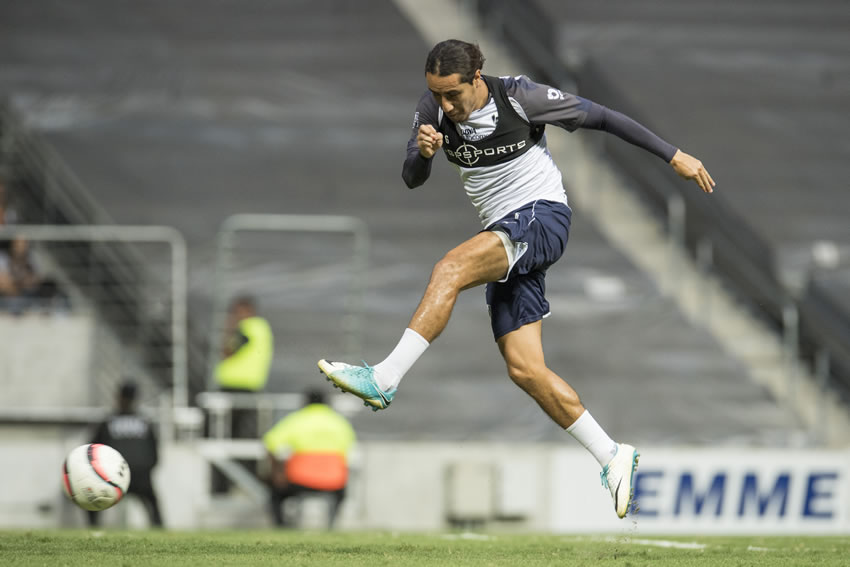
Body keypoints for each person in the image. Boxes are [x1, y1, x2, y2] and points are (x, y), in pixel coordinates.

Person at [319, 39, 715, 519]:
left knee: (450, 268)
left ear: (477, 77)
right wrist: (424, 153)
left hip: (541, 217)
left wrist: (673, 155)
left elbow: (603, 117)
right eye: (437, 95)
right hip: (504, 234)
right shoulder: (432, 110)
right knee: (525, 370)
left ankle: (384, 378)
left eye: (453, 95)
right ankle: (613, 455)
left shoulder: (520, 97)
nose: (445, 106)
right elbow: (411, 177)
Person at [262, 388, 356, 529]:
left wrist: (278, 472)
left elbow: (270, 443)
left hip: (300, 479)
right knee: (342, 493)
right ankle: (331, 525)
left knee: (276, 494)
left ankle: (281, 527)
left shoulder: (297, 419)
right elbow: (349, 449)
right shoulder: (339, 422)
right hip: (333, 481)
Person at [211, 295, 274, 492]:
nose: (234, 316)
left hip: (235, 390)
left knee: (222, 440)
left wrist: (230, 329)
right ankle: (244, 482)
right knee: (244, 439)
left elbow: (228, 350)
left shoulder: (247, 328)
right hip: (249, 389)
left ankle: (224, 487)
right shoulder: (262, 329)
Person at [89, 381, 163, 527]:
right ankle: (159, 528)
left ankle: (93, 528)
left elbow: (94, 448)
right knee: (153, 505)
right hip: (141, 475)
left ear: (119, 396)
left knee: (95, 501)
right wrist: (149, 468)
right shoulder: (144, 422)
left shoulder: (109, 422)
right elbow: (154, 448)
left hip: (113, 476)